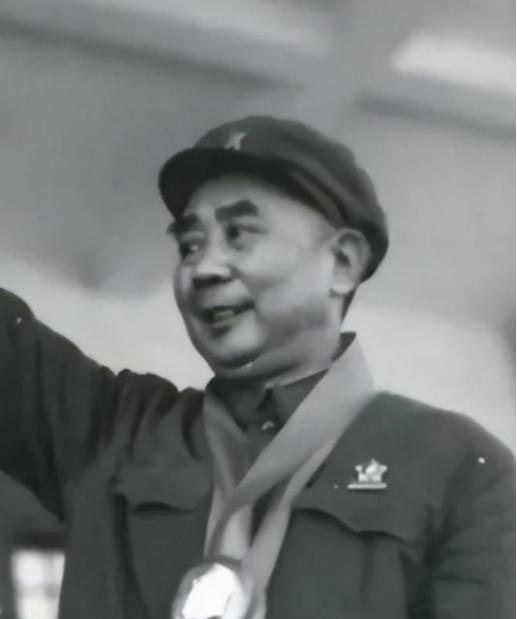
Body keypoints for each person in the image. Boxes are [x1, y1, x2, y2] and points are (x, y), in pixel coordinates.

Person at [0, 115, 514, 619]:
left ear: (342, 263)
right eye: (189, 245)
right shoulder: (115, 430)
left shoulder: (457, 469)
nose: (203, 268)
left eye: (239, 234)